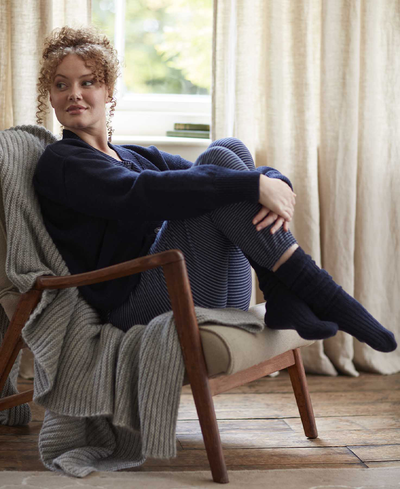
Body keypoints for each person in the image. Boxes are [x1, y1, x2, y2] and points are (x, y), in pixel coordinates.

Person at [34, 26, 396, 353]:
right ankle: (315, 288)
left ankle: (280, 290)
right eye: (61, 85)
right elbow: (141, 192)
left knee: (228, 149)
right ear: (50, 96)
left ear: (108, 90)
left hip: (202, 287)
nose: (74, 95)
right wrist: (254, 183)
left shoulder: (134, 155)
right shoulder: (63, 161)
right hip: (138, 306)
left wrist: (274, 181)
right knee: (217, 175)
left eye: (87, 82)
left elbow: (212, 172)